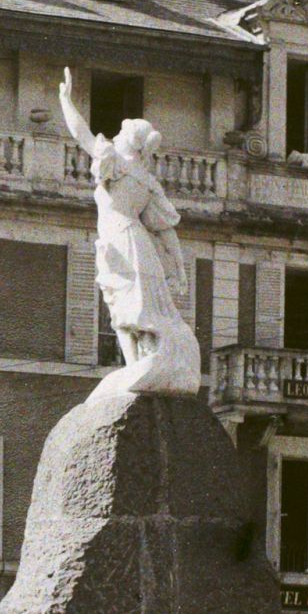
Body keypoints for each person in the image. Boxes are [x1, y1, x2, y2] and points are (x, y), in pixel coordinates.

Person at [57, 66, 201, 402]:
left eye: (121, 134)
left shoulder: (114, 162)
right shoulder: (146, 181)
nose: (114, 136)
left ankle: (137, 365)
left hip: (120, 242)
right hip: (138, 243)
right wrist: (178, 267)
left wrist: (66, 101)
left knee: (122, 307)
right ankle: (139, 366)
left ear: (128, 142)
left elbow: (82, 135)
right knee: (139, 307)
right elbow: (166, 232)